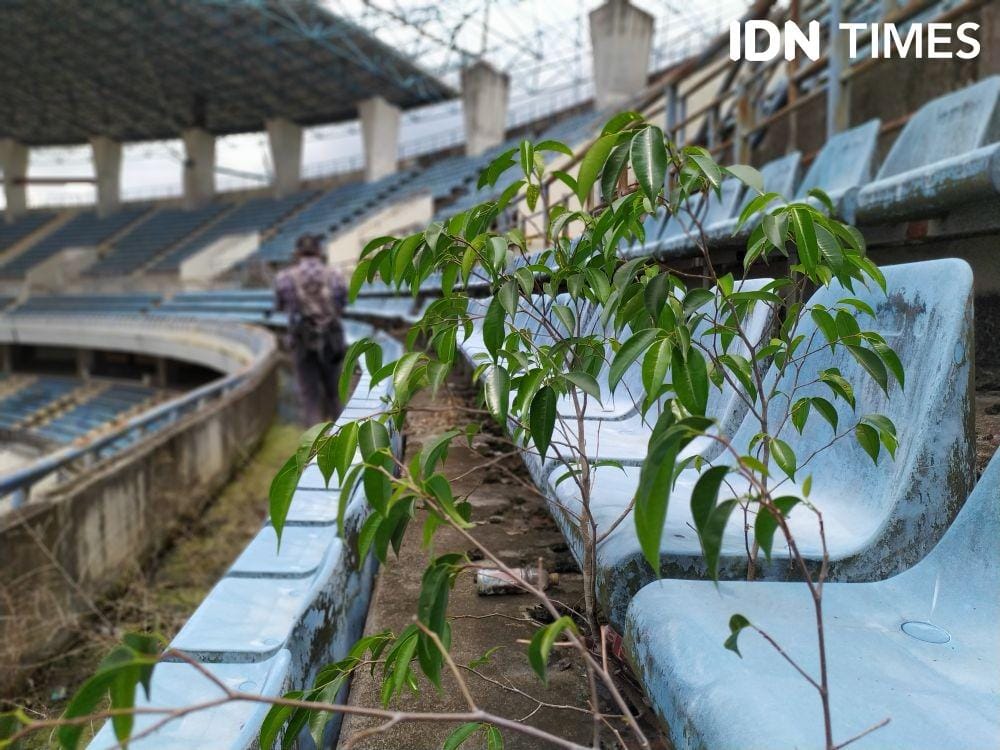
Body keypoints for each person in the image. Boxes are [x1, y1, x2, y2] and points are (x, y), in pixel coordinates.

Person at [274, 233, 348, 425]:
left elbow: (281, 306)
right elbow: (342, 304)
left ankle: (314, 446)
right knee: (334, 394)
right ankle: (340, 442)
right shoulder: (335, 275)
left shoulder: (284, 277)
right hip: (331, 338)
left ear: (298, 253)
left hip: (301, 340)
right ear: (319, 252)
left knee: (310, 397)